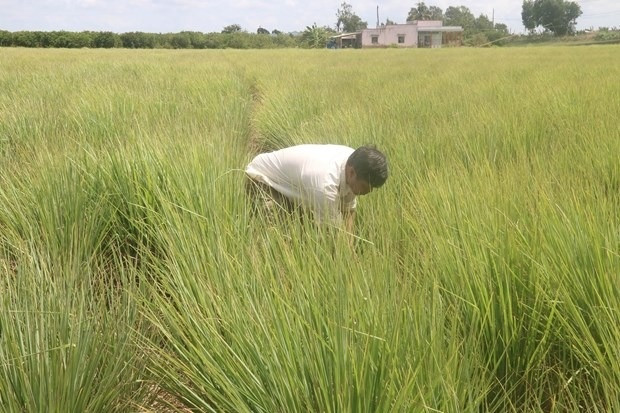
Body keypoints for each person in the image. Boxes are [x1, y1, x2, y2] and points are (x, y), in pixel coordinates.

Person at [245, 144, 388, 233]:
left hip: (293, 186)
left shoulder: (355, 162)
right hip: (263, 179)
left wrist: (349, 251)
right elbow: (333, 232)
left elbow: (348, 212)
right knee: (277, 234)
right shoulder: (325, 184)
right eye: (365, 187)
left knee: (301, 230)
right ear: (351, 173)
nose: (367, 193)